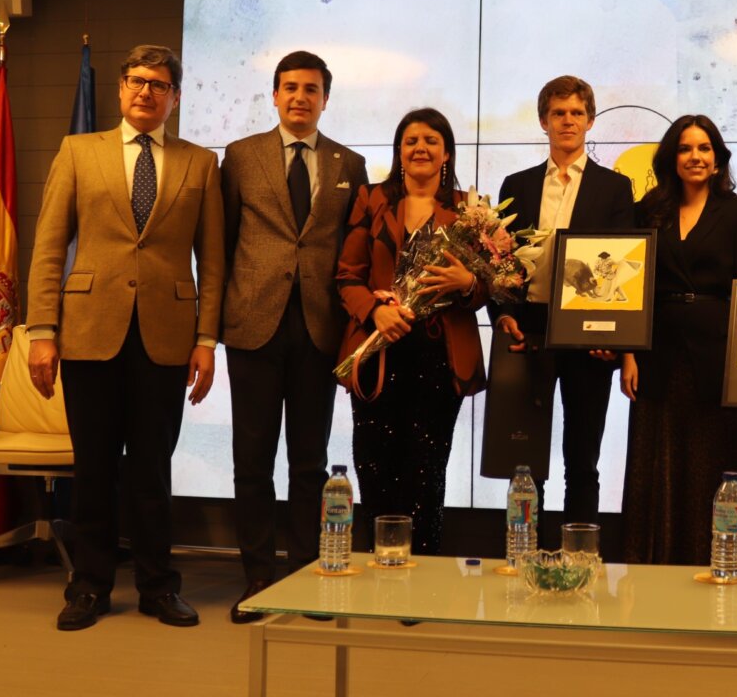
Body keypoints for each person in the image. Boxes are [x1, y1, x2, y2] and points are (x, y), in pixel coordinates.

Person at [26, 44, 224, 630]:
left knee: (153, 472)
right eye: (137, 81)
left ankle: (159, 587)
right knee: (93, 469)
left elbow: (211, 262)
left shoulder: (200, 163)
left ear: (175, 97)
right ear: (119, 89)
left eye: (159, 85)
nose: (146, 92)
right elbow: (47, 245)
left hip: (167, 336)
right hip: (89, 333)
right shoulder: (78, 151)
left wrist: (207, 340)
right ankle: (88, 586)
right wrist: (42, 331)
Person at [221, 51, 367, 624]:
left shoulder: (349, 163)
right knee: (252, 461)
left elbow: (352, 251)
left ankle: (308, 574)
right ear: (274, 96)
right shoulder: (240, 157)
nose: (300, 97)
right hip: (253, 325)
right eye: (290, 88)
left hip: (318, 329)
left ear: (326, 98)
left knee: (309, 463)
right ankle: (257, 578)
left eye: (311, 89)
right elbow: (223, 240)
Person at [337, 108, 486, 554]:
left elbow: (491, 288)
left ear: (446, 153)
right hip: (380, 352)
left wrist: (470, 284)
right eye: (411, 140)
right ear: (399, 151)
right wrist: (373, 312)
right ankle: (380, 564)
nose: (420, 147)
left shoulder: (468, 210)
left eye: (431, 140)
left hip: (439, 359)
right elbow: (346, 276)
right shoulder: (372, 197)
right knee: (374, 465)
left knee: (427, 470)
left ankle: (421, 573)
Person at [619, 115, 737, 565]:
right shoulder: (648, 210)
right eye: (685, 148)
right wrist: (627, 354)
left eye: (704, 149)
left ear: (718, 160)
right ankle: (654, 571)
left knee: (716, 466)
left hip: (719, 358)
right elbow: (630, 286)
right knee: (657, 466)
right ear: (671, 158)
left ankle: (720, 567)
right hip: (656, 354)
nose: (695, 157)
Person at [491, 75, 634, 527]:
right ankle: (522, 554)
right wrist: (503, 315)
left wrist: (618, 336)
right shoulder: (517, 184)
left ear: (590, 121)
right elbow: (498, 262)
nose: (567, 121)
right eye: (558, 113)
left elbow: (624, 268)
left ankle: (580, 558)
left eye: (576, 113)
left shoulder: (615, 188)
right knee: (523, 458)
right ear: (543, 121)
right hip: (526, 330)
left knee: (582, 460)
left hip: (587, 333)